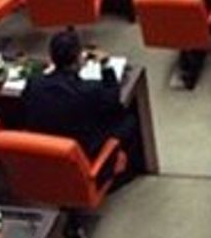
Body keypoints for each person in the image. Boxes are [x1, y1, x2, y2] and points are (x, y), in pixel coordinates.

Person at [21, 30, 142, 184]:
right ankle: (123, 174)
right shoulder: (89, 90)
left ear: (51, 58)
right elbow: (113, 100)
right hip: (82, 155)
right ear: (79, 59)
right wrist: (106, 66)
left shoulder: (34, 83)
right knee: (128, 121)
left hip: (47, 152)